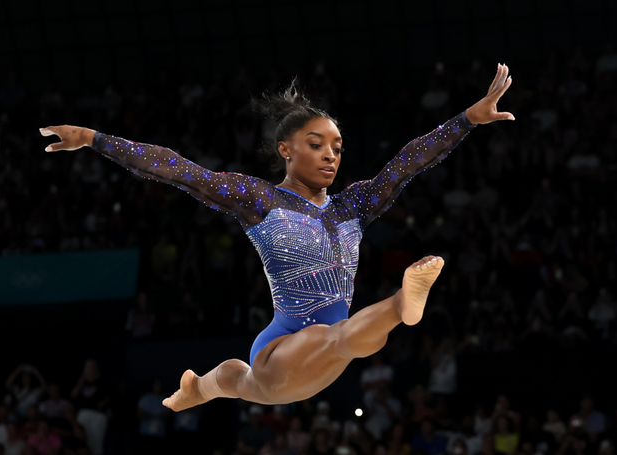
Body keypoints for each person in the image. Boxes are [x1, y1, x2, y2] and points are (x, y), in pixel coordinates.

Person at [40, 64, 515, 410]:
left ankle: (197, 389)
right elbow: (180, 171)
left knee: (249, 374)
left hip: (321, 348)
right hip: (283, 350)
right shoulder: (259, 200)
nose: (331, 156)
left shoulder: (353, 205)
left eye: (337, 147)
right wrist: (94, 137)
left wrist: (468, 119)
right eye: (316, 145)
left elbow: (409, 163)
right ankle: (399, 306)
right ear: (285, 150)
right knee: (334, 341)